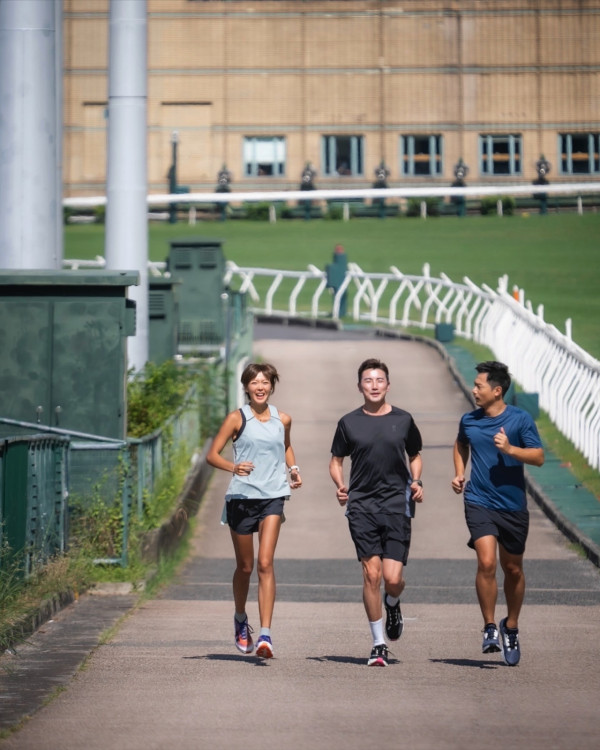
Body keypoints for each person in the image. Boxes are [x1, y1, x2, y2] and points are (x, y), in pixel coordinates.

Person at [329, 358, 424, 667]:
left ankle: (393, 602)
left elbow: (415, 455)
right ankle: (378, 643)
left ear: (388, 384)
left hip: (397, 504)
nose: (373, 385)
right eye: (368, 380)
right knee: (372, 573)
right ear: (360, 386)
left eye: (379, 380)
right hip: (362, 506)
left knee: (392, 578)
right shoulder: (348, 422)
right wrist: (341, 485)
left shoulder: (404, 420)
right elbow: (336, 460)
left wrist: (417, 481)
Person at [451, 361, 544, 666]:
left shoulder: (519, 420)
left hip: (513, 505)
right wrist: (459, 472)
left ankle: (511, 626)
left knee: (513, 569)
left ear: (497, 390)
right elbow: (460, 444)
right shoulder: (470, 420)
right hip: (478, 501)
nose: (474, 389)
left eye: (479, 386)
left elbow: (539, 457)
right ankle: (490, 626)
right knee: (487, 562)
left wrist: (511, 450)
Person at [207, 362, 302, 659]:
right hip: (241, 498)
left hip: (273, 495)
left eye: (265, 382)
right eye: (254, 382)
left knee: (265, 563)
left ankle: (265, 635)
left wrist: (294, 468)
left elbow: (285, 445)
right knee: (246, 566)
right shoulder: (236, 419)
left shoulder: (282, 419)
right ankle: (239, 618)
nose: (260, 387)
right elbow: (212, 455)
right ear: (246, 387)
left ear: (272, 386)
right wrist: (233, 467)